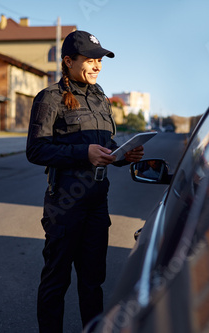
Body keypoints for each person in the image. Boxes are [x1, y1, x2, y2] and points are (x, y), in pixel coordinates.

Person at [26, 30, 144, 332]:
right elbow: (36, 150)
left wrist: (122, 155)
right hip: (64, 205)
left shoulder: (101, 98)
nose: (97, 66)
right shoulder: (50, 98)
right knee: (56, 279)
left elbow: (103, 147)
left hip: (96, 203)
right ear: (68, 61)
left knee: (93, 282)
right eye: (90, 60)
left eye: (99, 60)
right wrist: (84, 153)